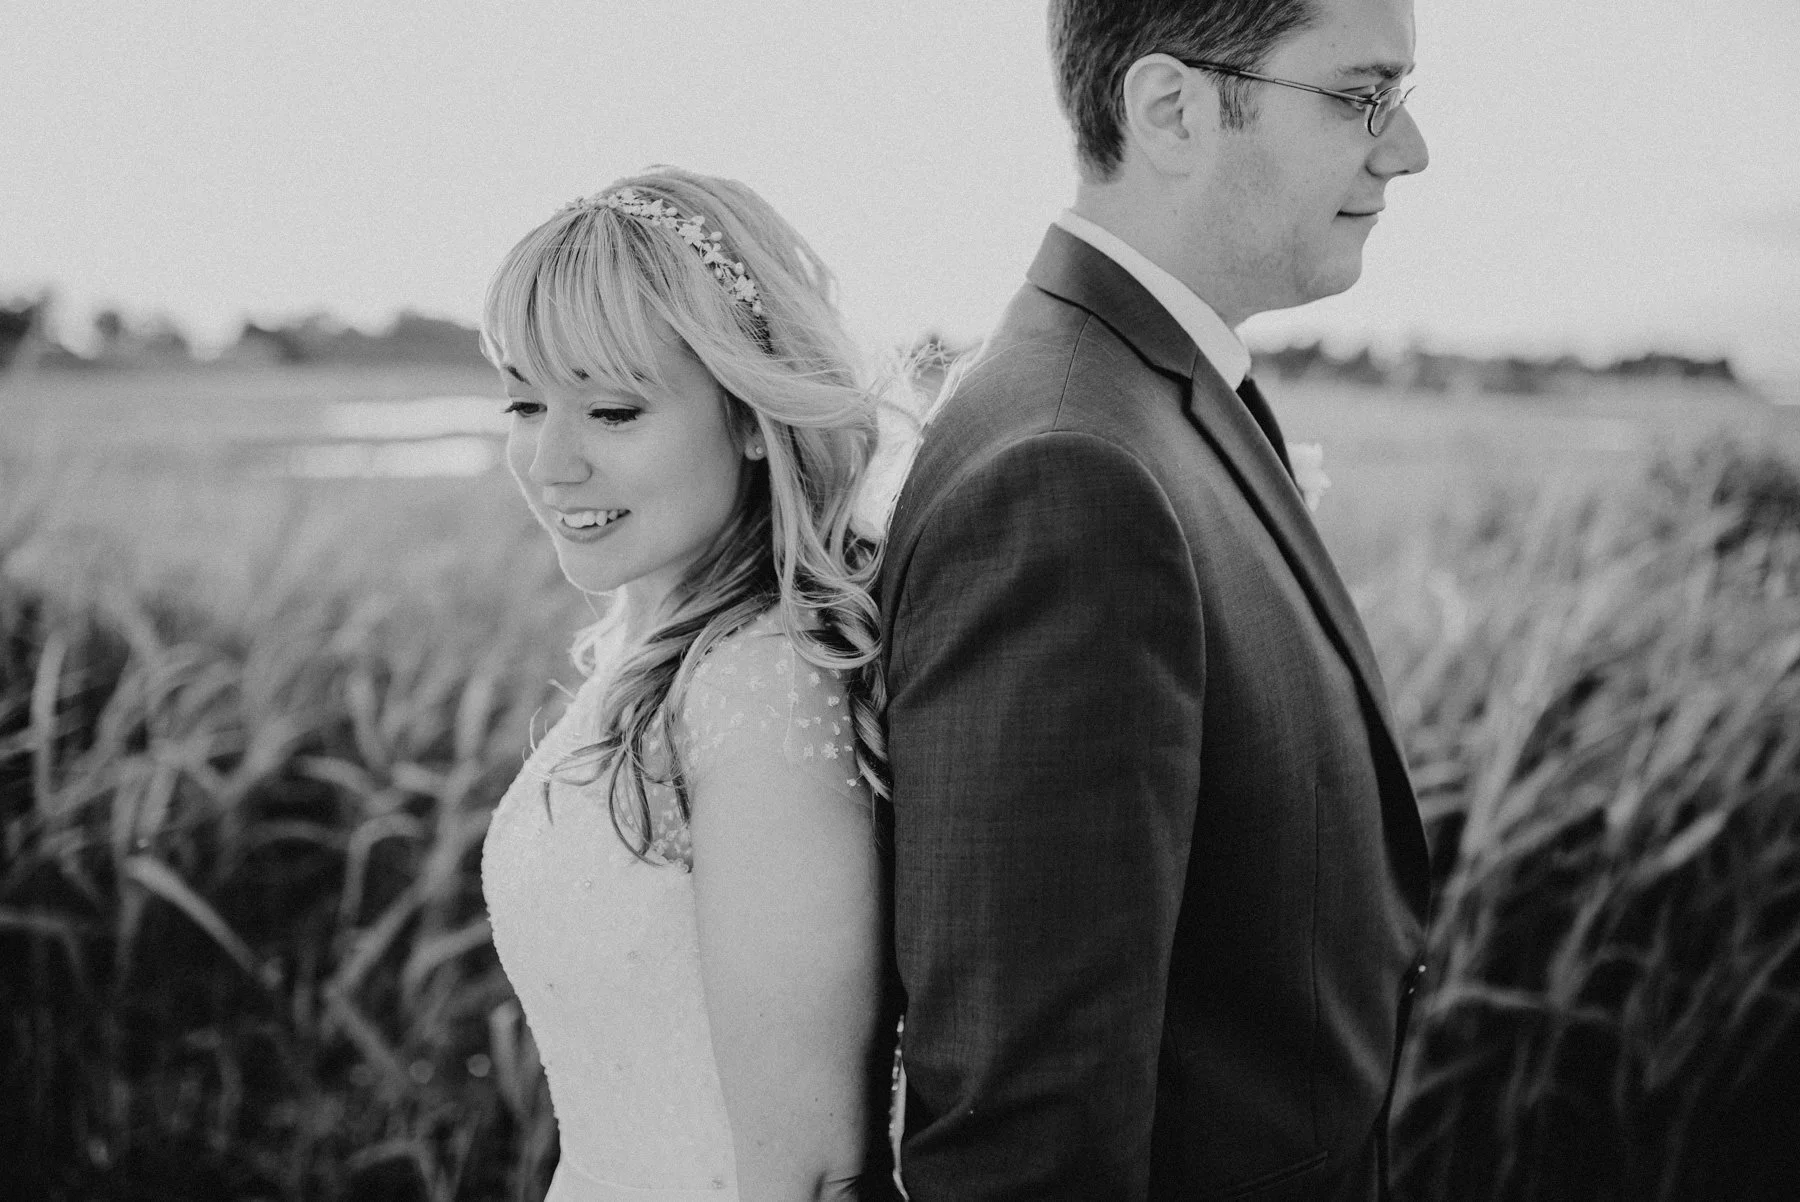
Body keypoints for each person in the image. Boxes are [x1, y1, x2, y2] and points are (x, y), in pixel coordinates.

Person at [877, 0, 1434, 1197]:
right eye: (1362, 96)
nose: (1407, 149)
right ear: (1173, 110)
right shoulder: (1067, 473)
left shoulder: (1151, 395)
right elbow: (1029, 1135)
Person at [480, 167, 903, 1202]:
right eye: (526, 402)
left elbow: (810, 1168)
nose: (550, 461)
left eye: (611, 410)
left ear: (753, 415)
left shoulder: (760, 689)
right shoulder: (660, 651)